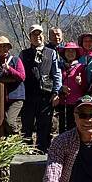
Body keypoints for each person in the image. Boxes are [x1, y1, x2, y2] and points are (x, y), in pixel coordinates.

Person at [20, 24, 62, 153]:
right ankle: (26, 152)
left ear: (43, 36)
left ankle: (42, 152)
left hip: (46, 95)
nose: (37, 36)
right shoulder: (24, 53)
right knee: (27, 125)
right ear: (30, 37)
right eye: (34, 34)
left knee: (45, 125)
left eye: (39, 34)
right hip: (29, 95)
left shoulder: (51, 52)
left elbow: (56, 73)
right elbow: (20, 74)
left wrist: (56, 92)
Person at [0, 36, 25, 136]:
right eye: (0, 46)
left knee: (9, 122)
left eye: (5, 46)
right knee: (0, 124)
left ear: (9, 48)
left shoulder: (16, 60)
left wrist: (9, 69)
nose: (3, 48)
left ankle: (18, 137)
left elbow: (22, 76)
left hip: (16, 97)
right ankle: (9, 146)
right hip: (0, 99)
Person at [56, 42, 87, 133]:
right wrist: (61, 88)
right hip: (62, 103)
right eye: (68, 51)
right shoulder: (60, 67)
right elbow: (56, 81)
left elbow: (86, 86)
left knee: (75, 127)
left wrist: (81, 82)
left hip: (76, 103)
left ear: (76, 53)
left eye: (73, 51)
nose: (70, 53)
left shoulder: (81, 67)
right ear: (64, 53)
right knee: (62, 127)